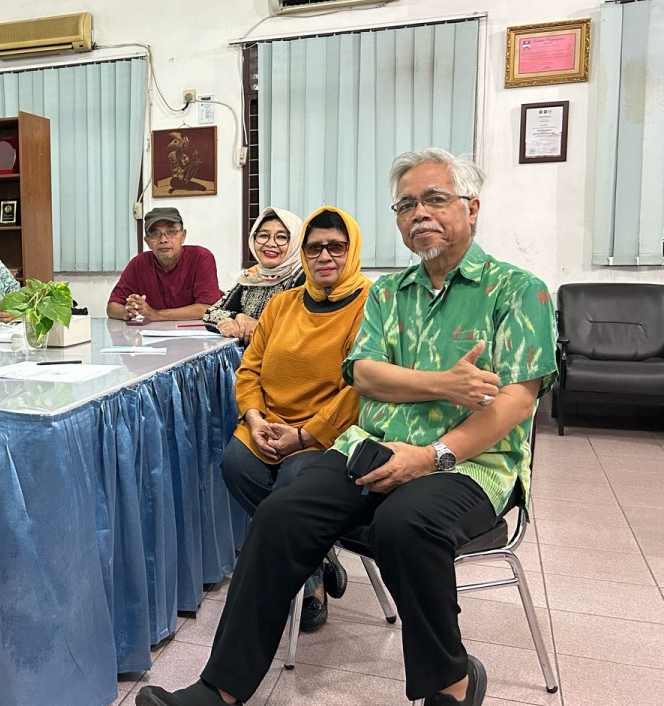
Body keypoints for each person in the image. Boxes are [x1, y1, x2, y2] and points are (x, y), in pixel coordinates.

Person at [137, 148, 557, 706]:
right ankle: (221, 689)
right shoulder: (389, 293)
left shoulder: (518, 291)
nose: (420, 213)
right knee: (281, 511)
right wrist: (443, 383)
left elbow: (514, 402)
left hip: (468, 466)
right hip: (373, 450)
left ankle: (451, 680)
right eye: (406, 204)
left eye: (435, 199)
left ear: (471, 207)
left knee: (404, 524)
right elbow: (364, 374)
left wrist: (432, 456)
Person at [221, 206, 371, 632]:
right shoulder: (282, 304)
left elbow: (359, 387)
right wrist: (252, 419)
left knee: (294, 485)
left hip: (330, 434)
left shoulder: (369, 304)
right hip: (266, 425)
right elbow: (249, 369)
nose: (325, 256)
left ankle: (308, 583)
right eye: (315, 247)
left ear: (352, 249)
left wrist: (306, 434)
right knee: (234, 464)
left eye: (336, 247)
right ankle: (320, 555)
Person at [202, 206, 306, 339]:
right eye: (263, 235)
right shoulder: (252, 277)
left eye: (281, 237)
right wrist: (239, 318)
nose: (270, 243)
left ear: (296, 242)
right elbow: (210, 314)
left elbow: (300, 327)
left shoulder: (303, 279)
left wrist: (258, 327)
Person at [106, 207, 221, 322]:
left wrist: (156, 314)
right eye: (155, 234)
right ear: (147, 241)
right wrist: (128, 311)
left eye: (171, 232)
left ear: (183, 236)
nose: (163, 240)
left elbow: (207, 308)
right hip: (153, 336)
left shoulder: (200, 258)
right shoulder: (139, 264)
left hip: (197, 335)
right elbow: (112, 306)